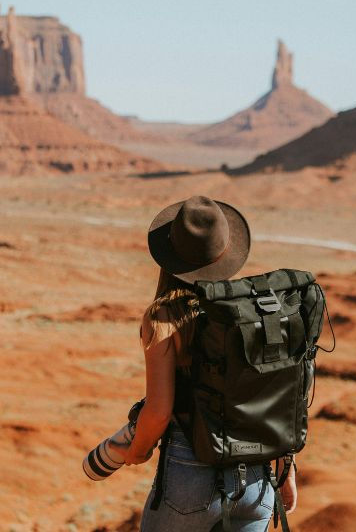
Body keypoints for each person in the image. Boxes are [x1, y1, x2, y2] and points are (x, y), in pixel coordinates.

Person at [123, 196, 298, 531]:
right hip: (257, 480)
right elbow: (276, 398)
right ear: (226, 254)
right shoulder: (254, 312)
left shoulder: (165, 316)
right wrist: (286, 469)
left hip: (191, 478)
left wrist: (137, 450)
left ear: (169, 256)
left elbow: (159, 411)